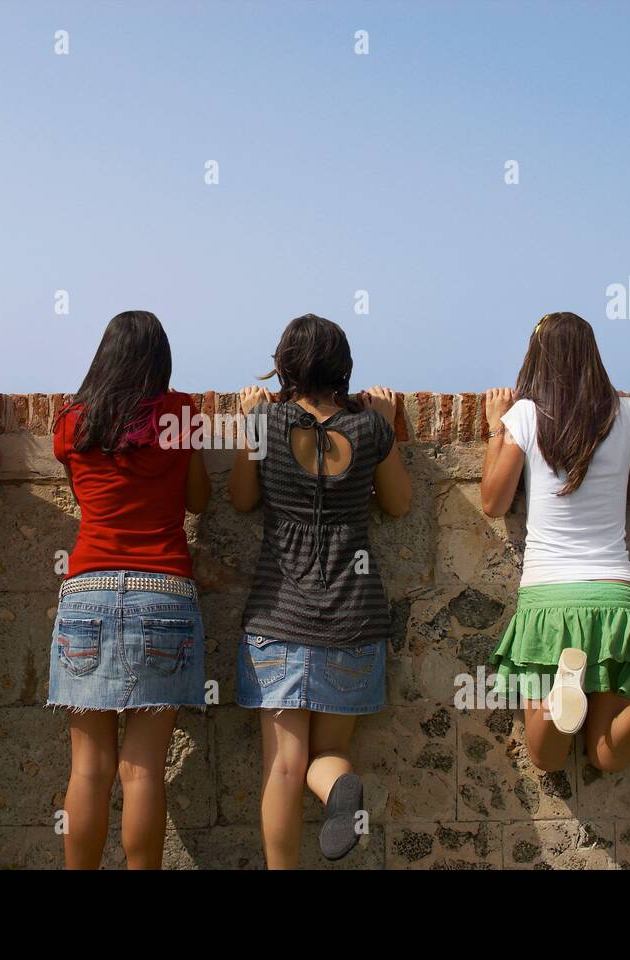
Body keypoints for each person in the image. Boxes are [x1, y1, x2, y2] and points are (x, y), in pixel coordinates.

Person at [480, 311, 630, 776]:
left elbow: (493, 502)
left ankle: (560, 692)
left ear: (536, 359)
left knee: (545, 758)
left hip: (549, 600)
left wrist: (497, 428)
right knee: (607, 756)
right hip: (617, 599)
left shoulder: (525, 416)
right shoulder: (627, 414)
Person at [229, 313, 411, 867]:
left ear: (285, 364)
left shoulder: (266, 424)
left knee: (283, 765)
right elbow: (399, 503)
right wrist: (387, 422)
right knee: (329, 753)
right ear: (342, 367)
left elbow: (240, 499)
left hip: (277, 619)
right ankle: (337, 790)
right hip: (354, 620)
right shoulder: (370, 430)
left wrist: (248, 428)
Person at [48, 310, 211, 869]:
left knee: (88, 767)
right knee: (143, 766)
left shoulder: (71, 422)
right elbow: (198, 500)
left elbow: (83, 494)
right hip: (164, 588)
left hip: (87, 588)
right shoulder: (183, 414)